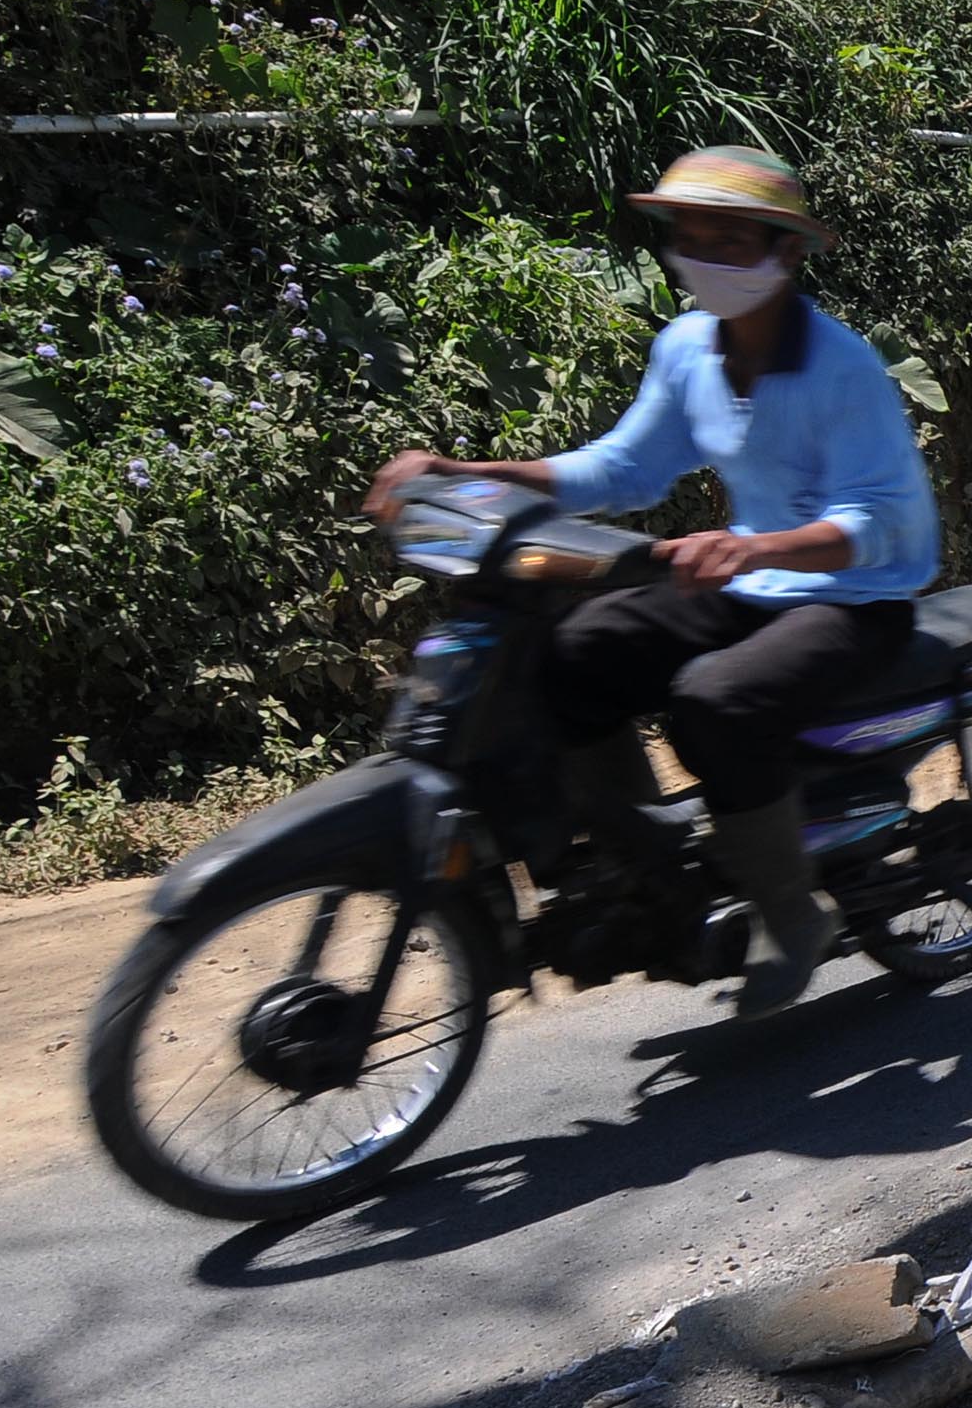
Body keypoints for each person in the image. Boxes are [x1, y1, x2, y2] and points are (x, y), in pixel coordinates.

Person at [363, 147, 938, 1012]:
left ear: (785, 253)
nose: (705, 253)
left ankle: (791, 912)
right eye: (691, 235)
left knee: (717, 700)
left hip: (856, 597)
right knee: (576, 649)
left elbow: (880, 519)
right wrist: (466, 469)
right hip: (747, 582)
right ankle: (645, 861)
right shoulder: (685, 349)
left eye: (731, 238)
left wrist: (756, 548)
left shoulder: (842, 367)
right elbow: (625, 467)